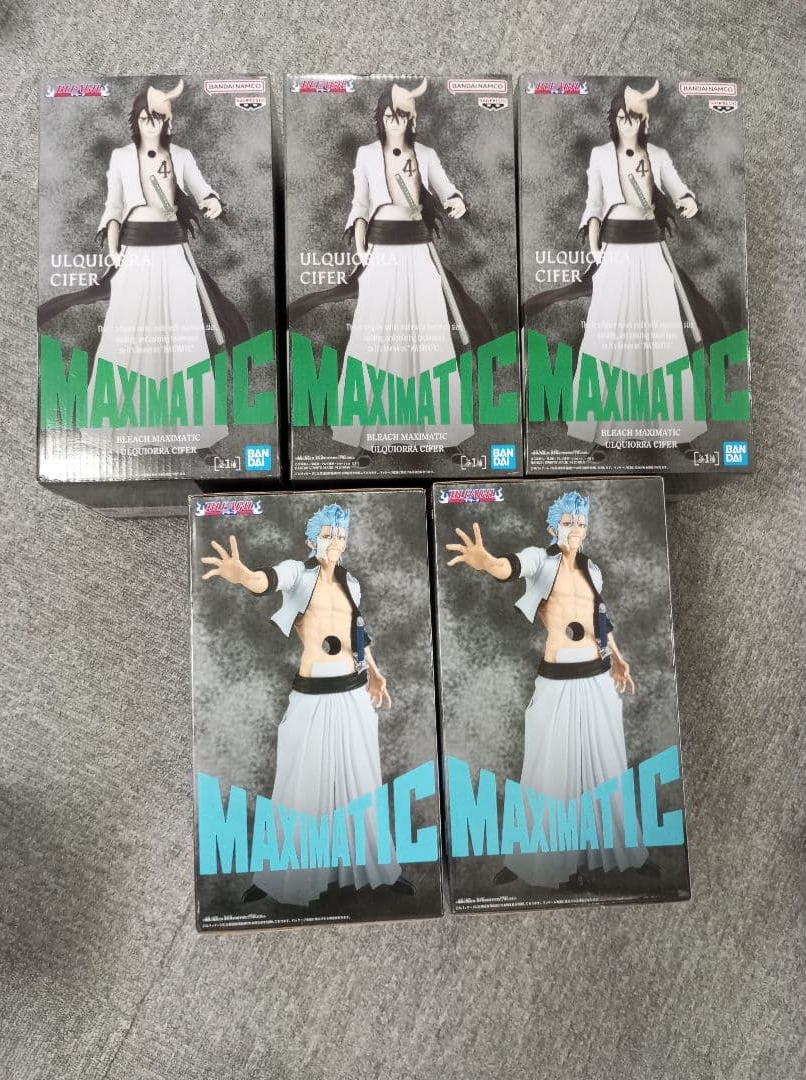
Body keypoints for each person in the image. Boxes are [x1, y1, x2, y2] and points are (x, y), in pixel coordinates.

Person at [201, 503, 414, 907]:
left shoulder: (352, 584)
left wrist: (375, 672)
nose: (335, 541)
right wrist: (243, 575)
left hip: (353, 689)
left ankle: (381, 870)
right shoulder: (298, 573)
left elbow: (358, 632)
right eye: (328, 534)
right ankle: (276, 876)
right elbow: (267, 580)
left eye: (341, 535)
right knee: (296, 783)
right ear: (312, 539)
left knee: (365, 778)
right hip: (312, 691)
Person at [446, 491, 652, 890]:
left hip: (598, 673)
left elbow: (600, 619)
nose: (575, 529)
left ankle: (627, 853)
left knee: (609, 761)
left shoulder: (593, 572)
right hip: (557, 676)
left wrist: (619, 658)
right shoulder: (541, 560)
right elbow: (510, 567)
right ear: (553, 527)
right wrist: (487, 562)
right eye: (568, 522)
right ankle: (528, 858)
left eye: (581, 522)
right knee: (545, 768)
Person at [39, 79, 248, 449]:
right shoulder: (121, 157)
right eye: (145, 118)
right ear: (136, 121)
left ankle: (194, 433)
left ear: (168, 122)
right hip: (135, 253)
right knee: (126, 332)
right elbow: (113, 207)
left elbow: (202, 189)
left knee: (182, 334)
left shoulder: (181, 156)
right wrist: (114, 250)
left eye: (158, 118)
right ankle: (115, 431)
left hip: (173, 254)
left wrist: (213, 202)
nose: (151, 124)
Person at [292, 78, 491, 460]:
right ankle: (365, 436)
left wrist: (455, 201)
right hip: (381, 252)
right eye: (389, 116)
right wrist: (361, 247)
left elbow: (446, 188)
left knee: (430, 338)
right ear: (381, 118)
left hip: (418, 252)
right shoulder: (367, 155)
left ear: (412, 119)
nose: (395, 122)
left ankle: (445, 435)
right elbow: (360, 204)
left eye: (402, 116)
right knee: (373, 338)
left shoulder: (426, 155)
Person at [524, 80, 724, 460]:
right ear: (613, 121)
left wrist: (688, 202)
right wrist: (596, 249)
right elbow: (594, 205)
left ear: (644, 121)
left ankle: (679, 434)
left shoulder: (658, 156)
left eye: (633, 117)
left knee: (663, 336)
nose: (627, 123)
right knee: (607, 335)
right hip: (614, 253)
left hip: (651, 253)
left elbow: (679, 189)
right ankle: (601, 434)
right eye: (621, 117)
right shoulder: (600, 155)